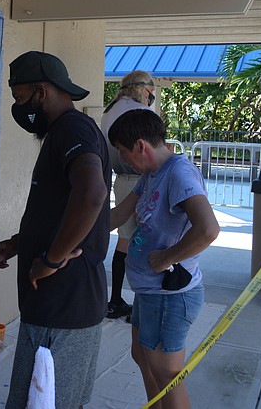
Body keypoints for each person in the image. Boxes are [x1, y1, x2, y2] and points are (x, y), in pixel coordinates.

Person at [0, 51, 111, 409]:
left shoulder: (72, 129)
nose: (20, 109)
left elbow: (91, 194)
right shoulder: (65, 131)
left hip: (62, 304)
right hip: (58, 304)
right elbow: (61, 206)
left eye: (21, 98)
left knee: (42, 403)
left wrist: (53, 259)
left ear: (41, 93)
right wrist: (19, 243)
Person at [108, 109, 220, 409]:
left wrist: (166, 258)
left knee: (166, 373)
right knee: (143, 357)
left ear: (141, 146)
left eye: (123, 152)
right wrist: (76, 230)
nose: (124, 160)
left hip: (170, 296)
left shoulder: (178, 173)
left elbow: (208, 230)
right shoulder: (151, 175)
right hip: (149, 292)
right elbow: (119, 215)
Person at [100, 70, 157, 320]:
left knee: (124, 240)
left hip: (119, 180)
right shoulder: (141, 112)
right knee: (144, 240)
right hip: (141, 179)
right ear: (144, 89)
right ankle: (141, 302)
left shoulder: (109, 110)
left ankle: (115, 300)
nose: (151, 97)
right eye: (151, 92)